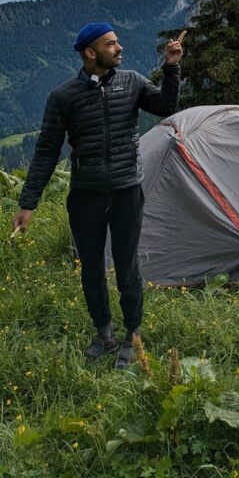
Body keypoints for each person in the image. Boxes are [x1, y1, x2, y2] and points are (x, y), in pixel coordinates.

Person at [12, 22, 185, 368]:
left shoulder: (133, 81)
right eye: (111, 44)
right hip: (86, 195)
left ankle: (131, 337)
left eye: (118, 42)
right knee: (91, 268)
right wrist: (28, 202)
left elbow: (166, 105)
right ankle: (104, 335)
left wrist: (171, 66)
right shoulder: (63, 97)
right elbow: (47, 150)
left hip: (126, 190)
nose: (119, 48)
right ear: (91, 53)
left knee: (127, 266)